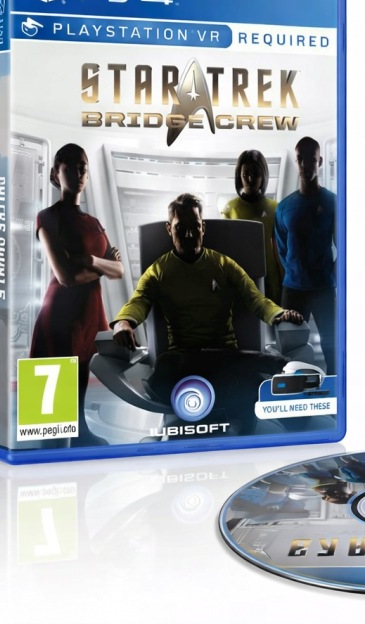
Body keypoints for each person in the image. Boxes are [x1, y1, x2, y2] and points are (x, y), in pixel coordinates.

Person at [111, 193, 303, 432]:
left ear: (203, 227)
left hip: (226, 355)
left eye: (195, 227)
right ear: (169, 229)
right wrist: (123, 323)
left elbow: (256, 299)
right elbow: (138, 301)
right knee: (166, 367)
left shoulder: (223, 264)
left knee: (239, 375)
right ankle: (270, 366)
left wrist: (278, 314)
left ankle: (265, 387)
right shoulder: (158, 271)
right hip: (183, 359)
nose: (189, 235)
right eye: (180, 228)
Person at [30, 143, 124, 446]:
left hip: (87, 316)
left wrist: (90, 260)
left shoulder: (94, 223)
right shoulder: (47, 217)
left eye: (83, 166)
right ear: (55, 173)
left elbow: (120, 270)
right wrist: (104, 266)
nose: (79, 171)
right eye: (70, 166)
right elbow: (66, 277)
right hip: (59, 318)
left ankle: (81, 434)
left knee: (79, 392)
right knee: (49, 428)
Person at [274, 136, 337, 374]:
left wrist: (332, 274)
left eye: (311, 159)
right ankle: (292, 394)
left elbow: (344, 245)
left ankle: (334, 393)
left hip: (323, 289)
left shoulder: (332, 202)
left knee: (333, 350)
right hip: (293, 290)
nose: (304, 165)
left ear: (319, 161)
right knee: (289, 353)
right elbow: (281, 248)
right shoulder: (284, 207)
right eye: (300, 159)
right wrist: (294, 273)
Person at [221, 149, 283, 305]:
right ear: (239, 176)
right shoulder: (229, 209)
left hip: (270, 280)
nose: (250, 179)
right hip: (240, 279)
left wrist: (284, 282)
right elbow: (225, 252)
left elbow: (279, 251)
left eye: (256, 174)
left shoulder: (275, 208)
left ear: (263, 176)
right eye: (246, 174)